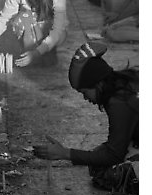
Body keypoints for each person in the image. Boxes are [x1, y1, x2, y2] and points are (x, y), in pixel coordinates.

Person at [33, 41, 139, 182]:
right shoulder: (122, 84)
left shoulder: (119, 102)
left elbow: (114, 155)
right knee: (97, 160)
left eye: (84, 92)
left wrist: (65, 153)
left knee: (113, 175)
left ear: (97, 83)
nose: (85, 98)